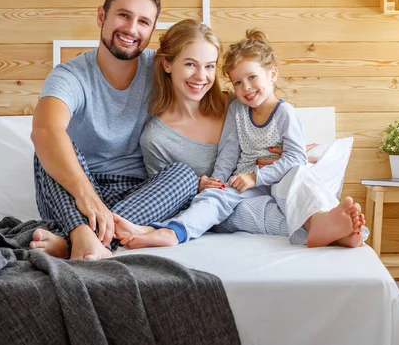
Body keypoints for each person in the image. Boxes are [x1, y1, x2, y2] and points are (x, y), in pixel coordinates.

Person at [114, 27, 365, 248]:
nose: (245, 88)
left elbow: (296, 156)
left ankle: (330, 223)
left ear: (272, 74)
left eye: (209, 66)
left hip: (275, 179)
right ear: (168, 65)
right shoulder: (235, 108)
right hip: (244, 188)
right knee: (222, 203)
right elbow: (228, 152)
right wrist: (217, 183)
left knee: (298, 177)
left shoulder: (278, 111)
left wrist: (268, 170)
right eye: (237, 83)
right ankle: (171, 232)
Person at [29, 0, 199, 261]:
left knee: (184, 175)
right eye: (123, 15)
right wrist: (87, 197)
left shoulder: (160, 69)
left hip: (138, 196)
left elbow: (207, 91)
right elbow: (45, 129)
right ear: (101, 16)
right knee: (48, 149)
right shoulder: (70, 76)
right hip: (74, 194)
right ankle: (87, 235)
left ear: (151, 31)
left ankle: (77, 241)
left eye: (143, 22)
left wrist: (274, 126)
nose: (132, 29)